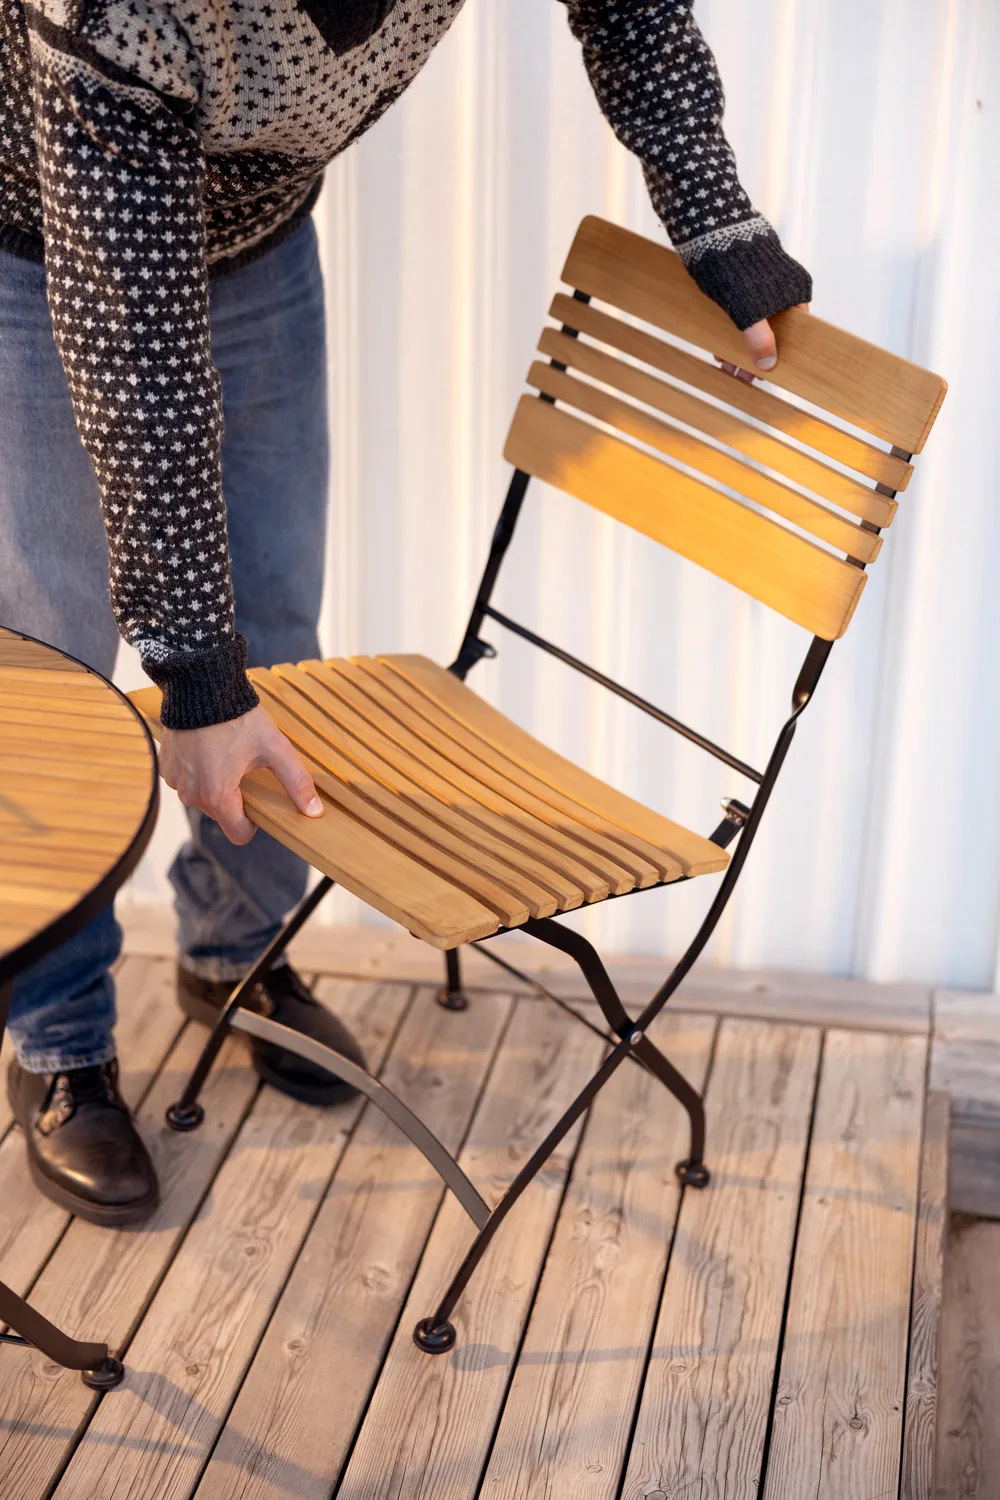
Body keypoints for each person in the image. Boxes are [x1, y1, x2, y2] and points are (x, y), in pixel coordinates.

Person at [0, 0, 812, 1226]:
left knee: (277, 631)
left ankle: (237, 956)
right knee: (58, 673)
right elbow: (138, 360)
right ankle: (58, 1044)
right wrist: (194, 682)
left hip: (257, 242)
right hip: (39, 243)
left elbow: (630, 8)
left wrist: (715, 216)